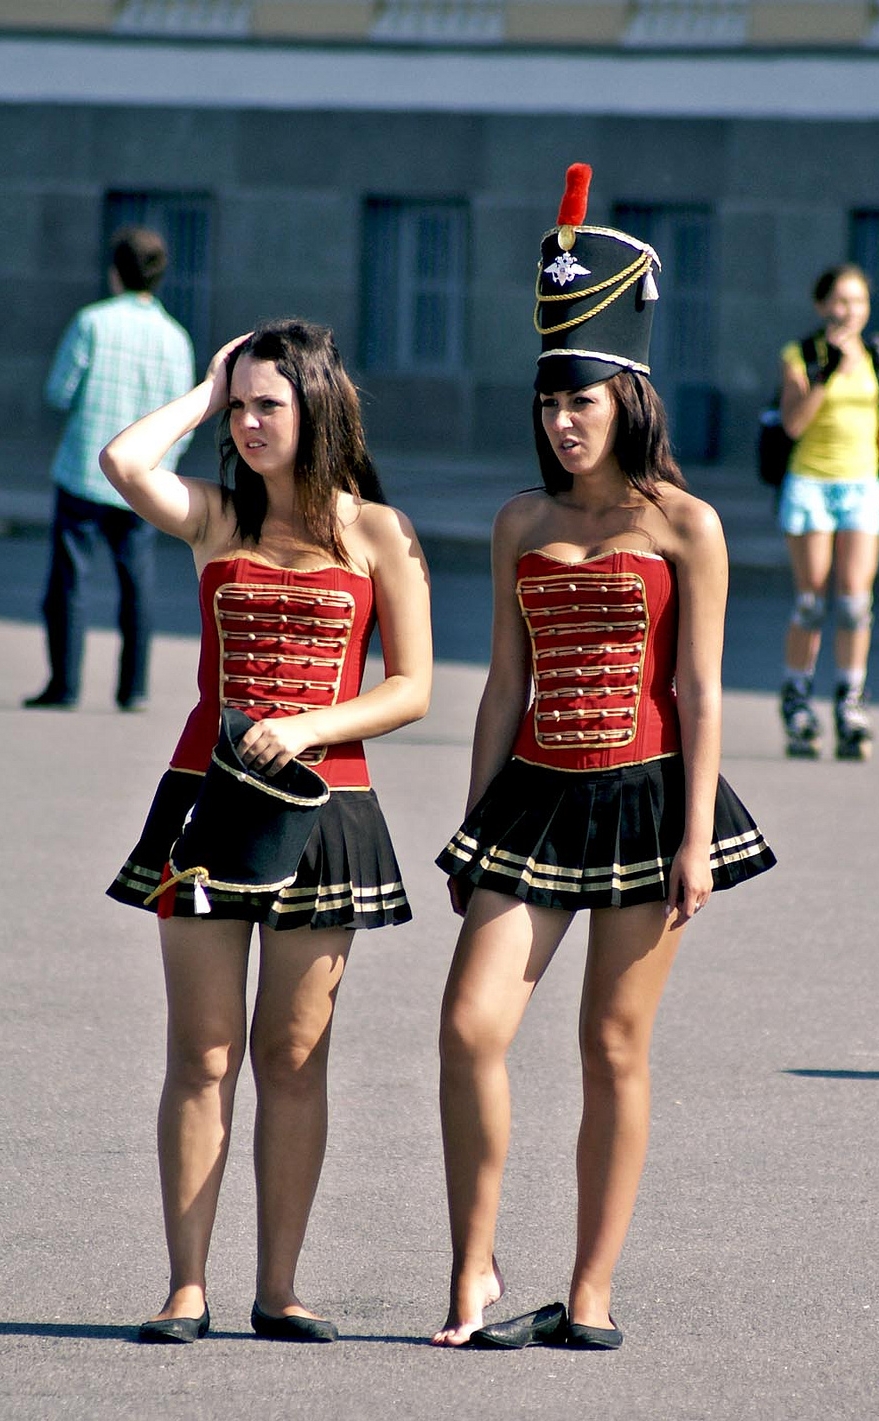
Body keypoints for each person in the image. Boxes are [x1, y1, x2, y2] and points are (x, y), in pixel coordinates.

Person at [430, 164, 776, 1351]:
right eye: (546, 404)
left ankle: (589, 1288)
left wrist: (694, 841)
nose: (561, 421)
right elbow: (504, 682)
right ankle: (472, 1272)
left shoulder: (688, 524)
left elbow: (697, 686)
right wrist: (472, 830)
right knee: (470, 1027)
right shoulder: (523, 522)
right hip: (531, 801)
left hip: (645, 799)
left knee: (611, 1044)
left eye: (580, 399)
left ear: (628, 393)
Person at [100, 319, 432, 1343]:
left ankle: (278, 1285)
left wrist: (310, 725)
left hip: (325, 809)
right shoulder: (213, 516)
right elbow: (120, 461)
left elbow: (413, 687)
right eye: (238, 407)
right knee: (203, 1051)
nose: (247, 423)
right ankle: (185, 1285)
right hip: (206, 803)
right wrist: (203, 389)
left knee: (294, 1056)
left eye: (265, 405)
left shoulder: (377, 531)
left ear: (316, 409)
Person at [25, 225, 195, 711]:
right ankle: (133, 688)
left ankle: (64, 685)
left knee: (69, 584)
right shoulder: (175, 339)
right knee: (137, 583)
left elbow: (59, 392)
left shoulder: (92, 323)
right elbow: (183, 419)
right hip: (142, 480)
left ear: (116, 272)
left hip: (84, 470)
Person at [776, 264, 879, 760]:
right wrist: (826, 373)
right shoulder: (803, 354)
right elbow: (793, 425)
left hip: (861, 485)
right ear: (822, 306)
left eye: (857, 301)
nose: (848, 311)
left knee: (857, 602)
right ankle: (797, 700)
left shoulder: (876, 355)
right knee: (812, 602)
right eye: (839, 301)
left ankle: (849, 704)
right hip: (812, 483)